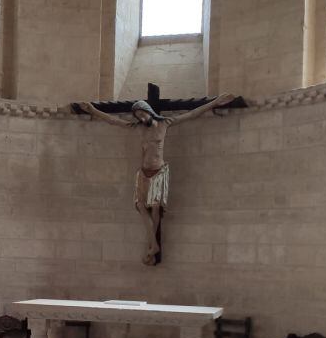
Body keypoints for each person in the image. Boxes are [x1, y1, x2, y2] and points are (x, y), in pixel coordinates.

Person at [78, 95, 235, 264]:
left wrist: (215, 103)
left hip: (159, 171)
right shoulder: (138, 127)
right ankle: (153, 244)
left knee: (155, 208)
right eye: (137, 115)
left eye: (142, 113)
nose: (141, 117)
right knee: (140, 205)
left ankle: (153, 246)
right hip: (143, 172)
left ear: (148, 111)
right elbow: (113, 121)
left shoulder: (164, 123)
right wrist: (93, 110)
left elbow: (192, 114)